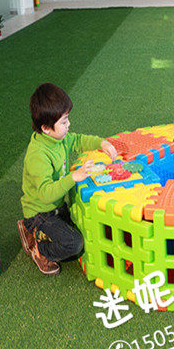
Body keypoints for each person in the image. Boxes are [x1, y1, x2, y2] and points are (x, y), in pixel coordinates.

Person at [17, 82, 117, 275]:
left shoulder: (59, 138)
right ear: (46, 128)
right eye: (63, 122)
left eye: (67, 118)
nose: (68, 124)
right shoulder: (38, 155)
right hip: (40, 213)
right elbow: (45, 194)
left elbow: (78, 140)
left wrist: (101, 143)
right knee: (74, 244)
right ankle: (39, 248)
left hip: (56, 207)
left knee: (85, 230)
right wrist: (73, 177)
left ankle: (34, 231)